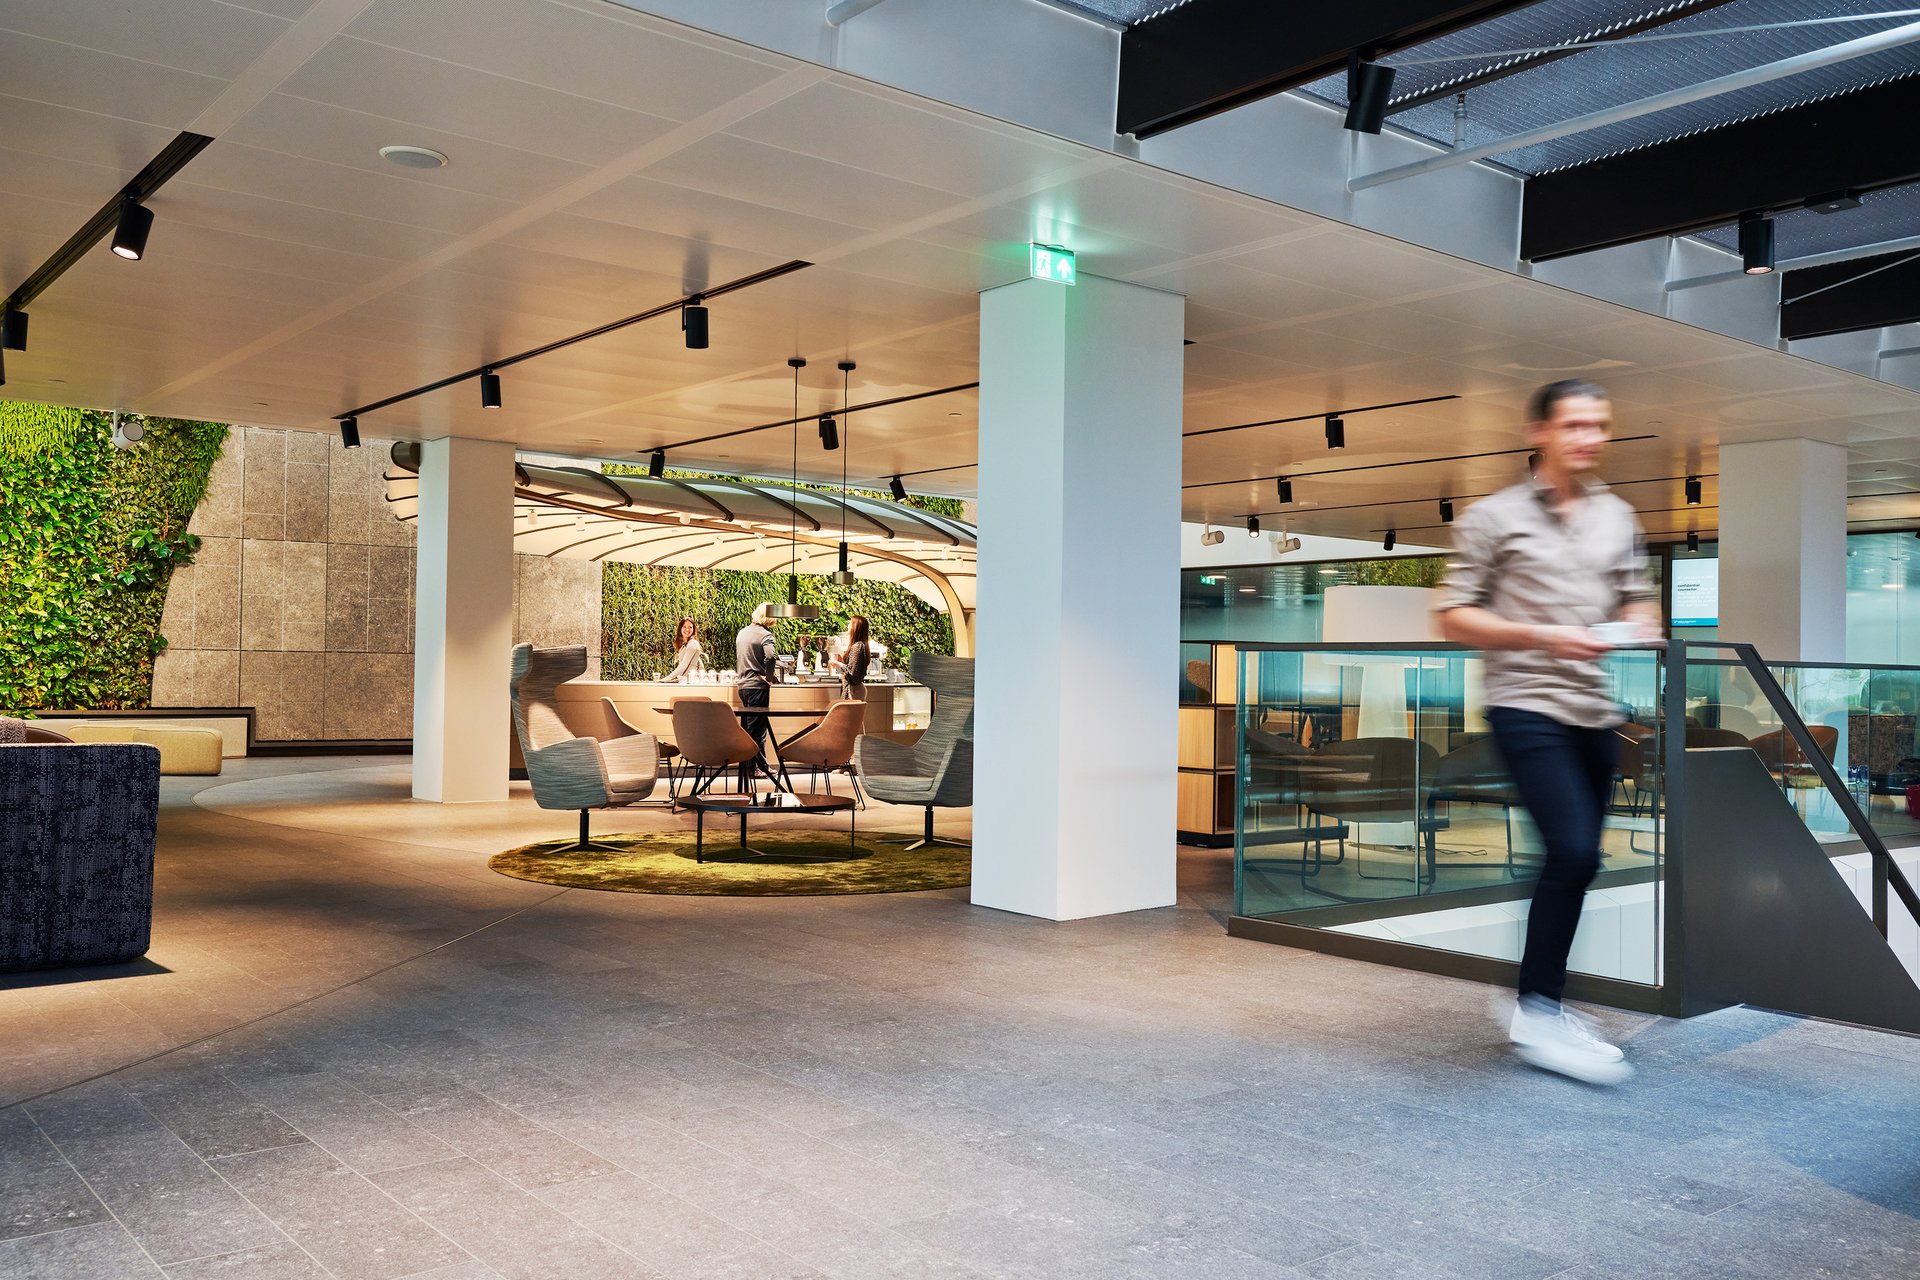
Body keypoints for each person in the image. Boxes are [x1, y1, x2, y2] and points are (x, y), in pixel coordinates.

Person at [1435, 379, 1659, 1086]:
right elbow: (1452, 617)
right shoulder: (1493, 517)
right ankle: (1537, 1010)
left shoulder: (1618, 516)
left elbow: (1639, 597)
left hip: (1593, 709)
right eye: (1575, 426)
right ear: (1540, 431)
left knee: (1583, 857)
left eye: (1600, 426)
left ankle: (1543, 1001)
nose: (1589, 439)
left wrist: (1639, 624)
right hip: (1524, 702)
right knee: (1568, 846)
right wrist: (1540, 634)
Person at [735, 602, 780, 770]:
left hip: (743, 686)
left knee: (748, 728)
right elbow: (771, 657)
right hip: (757, 687)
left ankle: (751, 766)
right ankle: (758, 768)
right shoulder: (766, 635)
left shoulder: (742, 633)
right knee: (757, 730)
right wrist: (769, 677)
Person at [831, 614, 871, 700]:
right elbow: (854, 668)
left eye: (850, 623)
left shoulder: (857, 646)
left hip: (853, 692)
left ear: (856, 627)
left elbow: (852, 672)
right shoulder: (860, 645)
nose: (848, 626)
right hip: (854, 690)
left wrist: (838, 664)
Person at [663, 616, 704, 682]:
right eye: (684, 627)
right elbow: (700, 664)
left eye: (690, 627)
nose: (687, 630)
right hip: (685, 681)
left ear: (693, 629)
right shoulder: (685, 645)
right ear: (680, 628)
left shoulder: (692, 643)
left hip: (690, 682)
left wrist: (668, 678)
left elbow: (683, 665)